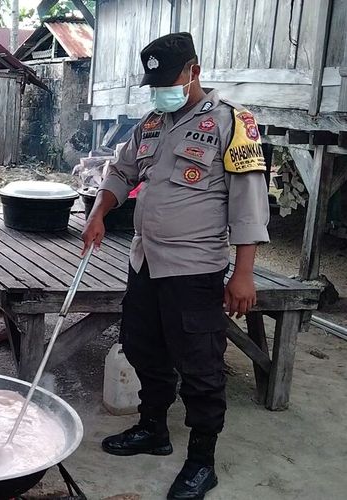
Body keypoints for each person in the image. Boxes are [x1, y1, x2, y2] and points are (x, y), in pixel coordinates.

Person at [82, 33, 270, 499]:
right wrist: (99, 211)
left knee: (201, 366)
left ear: (194, 72)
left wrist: (242, 272)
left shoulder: (233, 123)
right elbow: (122, 172)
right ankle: (153, 429)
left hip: (195, 266)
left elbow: (249, 203)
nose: (161, 90)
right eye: (155, 83)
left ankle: (202, 462)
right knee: (142, 347)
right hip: (144, 260)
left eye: (169, 80)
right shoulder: (151, 124)